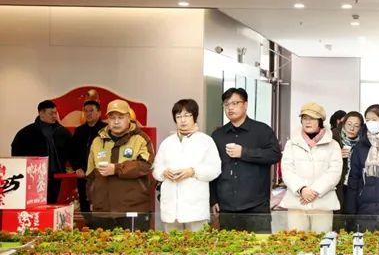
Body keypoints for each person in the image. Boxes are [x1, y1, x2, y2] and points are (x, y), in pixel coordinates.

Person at [210, 88, 282, 232]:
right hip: (227, 208)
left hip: (256, 207)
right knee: (229, 246)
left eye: (235, 103)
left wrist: (244, 153)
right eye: (226, 104)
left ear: (246, 105)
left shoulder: (262, 130)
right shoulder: (218, 135)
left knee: (260, 246)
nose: (230, 108)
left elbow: (275, 155)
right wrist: (213, 199)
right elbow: (212, 169)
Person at [152, 99, 222, 232]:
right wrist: (163, 172)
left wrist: (193, 171)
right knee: (171, 244)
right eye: (178, 116)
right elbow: (156, 168)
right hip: (170, 210)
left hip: (195, 210)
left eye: (187, 115)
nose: (182, 120)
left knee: (197, 244)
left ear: (194, 116)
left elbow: (215, 169)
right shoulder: (167, 142)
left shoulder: (206, 141)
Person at [86, 100, 155, 230]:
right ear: (107, 119)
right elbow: (90, 175)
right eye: (112, 118)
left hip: (133, 209)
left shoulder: (141, 139)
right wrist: (92, 200)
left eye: (120, 117)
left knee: (135, 243)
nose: (116, 122)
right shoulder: (97, 141)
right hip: (103, 211)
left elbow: (145, 165)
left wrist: (116, 169)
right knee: (102, 243)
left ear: (129, 117)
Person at [280, 102, 343, 232]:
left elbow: (334, 172)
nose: (307, 122)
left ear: (320, 121)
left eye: (312, 118)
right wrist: (302, 189)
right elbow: (287, 170)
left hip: (323, 202)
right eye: (304, 118)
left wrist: (315, 190)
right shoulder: (291, 144)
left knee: (322, 240)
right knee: (296, 239)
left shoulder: (333, 145)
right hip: (297, 201)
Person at [11, 99, 72, 204]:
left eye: (55, 113)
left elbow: (72, 151)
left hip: (56, 176)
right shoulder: (26, 133)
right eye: (51, 113)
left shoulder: (62, 132)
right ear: (41, 113)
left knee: (52, 204)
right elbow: (16, 153)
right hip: (34, 178)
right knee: (35, 204)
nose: (54, 116)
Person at [69, 100, 106, 213]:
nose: (88, 113)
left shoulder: (106, 130)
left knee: (102, 204)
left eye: (91, 111)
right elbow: (72, 152)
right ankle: (87, 224)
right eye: (86, 111)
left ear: (99, 113)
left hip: (101, 175)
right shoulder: (79, 131)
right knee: (84, 205)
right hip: (83, 175)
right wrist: (77, 168)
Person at [332, 111, 363, 216]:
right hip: (336, 185)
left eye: (356, 126)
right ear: (343, 124)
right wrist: (336, 155)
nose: (352, 128)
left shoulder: (364, 142)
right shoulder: (333, 139)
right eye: (349, 124)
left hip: (355, 186)